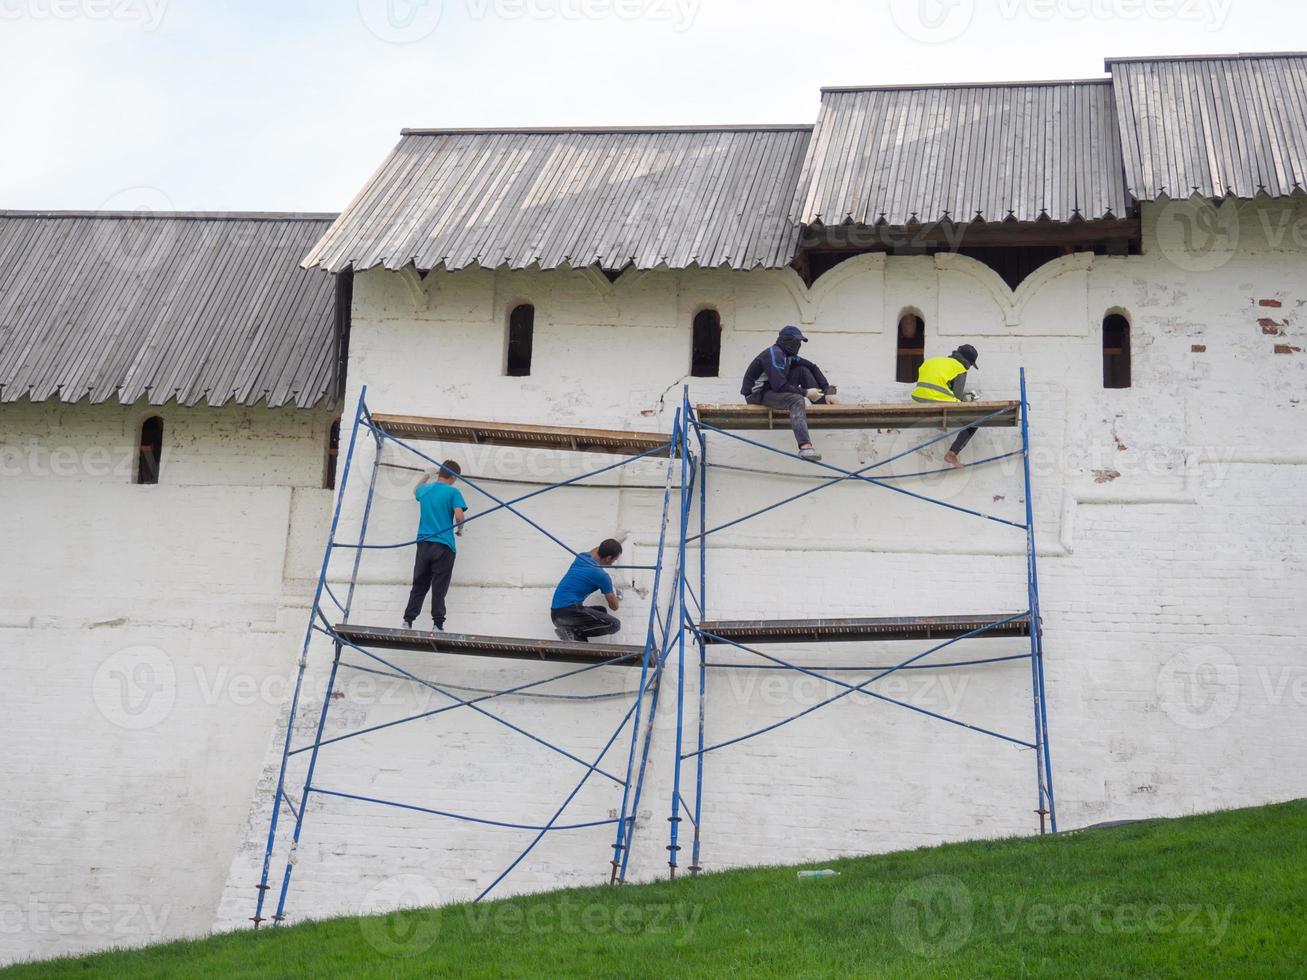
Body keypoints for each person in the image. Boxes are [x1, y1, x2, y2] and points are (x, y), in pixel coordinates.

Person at [741, 325, 836, 462]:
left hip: (772, 388)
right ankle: (805, 447)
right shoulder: (775, 354)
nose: (798, 345)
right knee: (796, 399)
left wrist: (827, 391)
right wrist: (806, 393)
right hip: (758, 394)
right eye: (796, 341)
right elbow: (780, 386)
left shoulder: (789, 356)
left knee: (803, 370)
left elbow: (812, 367)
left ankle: (822, 402)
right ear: (787, 340)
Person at [403, 460, 468, 631]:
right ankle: (437, 625)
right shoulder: (453, 492)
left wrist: (426, 475)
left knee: (419, 584)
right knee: (439, 586)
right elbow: (459, 516)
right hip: (444, 546)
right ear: (453, 476)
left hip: (424, 544)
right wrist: (460, 529)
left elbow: (415, 491)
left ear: (439, 472)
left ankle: (408, 621)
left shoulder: (426, 490)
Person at [912, 344, 980, 468]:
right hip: (938, 403)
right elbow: (957, 395)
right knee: (976, 419)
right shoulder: (960, 368)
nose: (969, 368)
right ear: (968, 362)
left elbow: (932, 387)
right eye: (970, 365)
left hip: (917, 402)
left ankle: (940, 421)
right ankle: (952, 453)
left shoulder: (933, 361)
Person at [550, 539, 624, 642]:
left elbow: (599, 548)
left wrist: (617, 541)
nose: (613, 563)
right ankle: (572, 632)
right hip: (569, 612)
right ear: (608, 558)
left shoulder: (582, 557)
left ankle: (575, 635)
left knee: (601, 611)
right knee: (614, 624)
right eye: (614, 560)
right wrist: (613, 592)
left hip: (556, 613)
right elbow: (614, 607)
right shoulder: (601, 576)